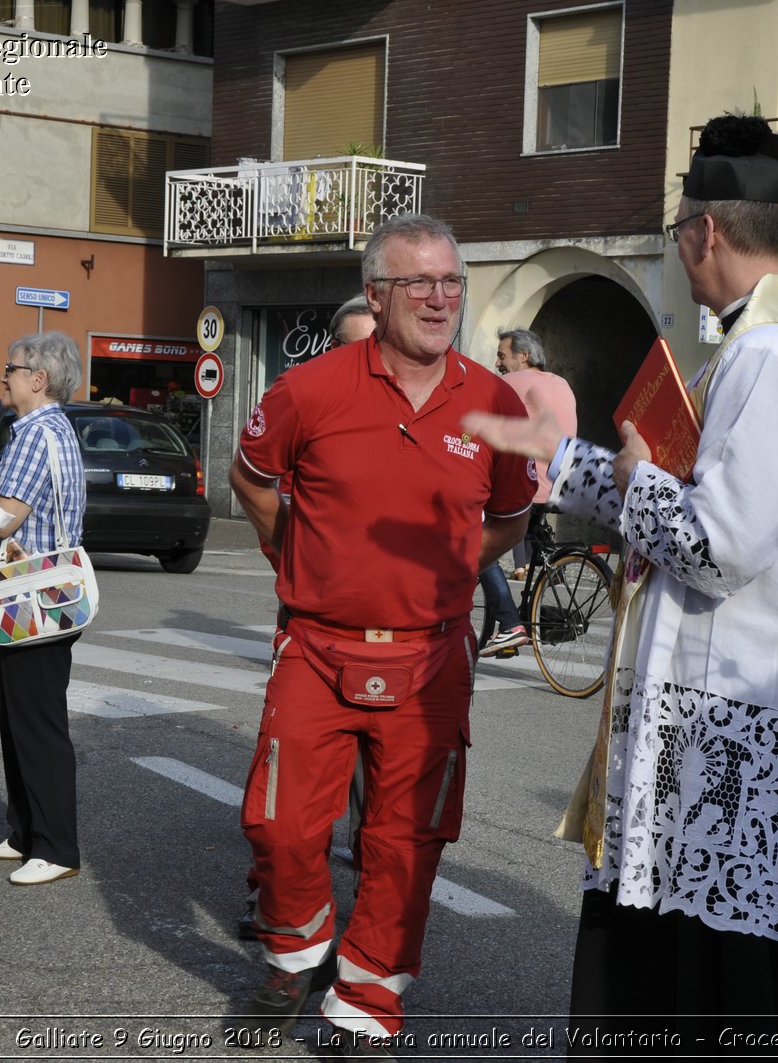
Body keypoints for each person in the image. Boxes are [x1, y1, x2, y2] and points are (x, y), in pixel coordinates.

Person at [465, 114, 778, 1053]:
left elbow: (717, 541)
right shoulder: (765, 348)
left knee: (721, 978)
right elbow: (683, 489)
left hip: (730, 728)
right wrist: (565, 459)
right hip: (722, 719)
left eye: (678, 233)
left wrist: (629, 477)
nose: (680, 249)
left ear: (706, 232)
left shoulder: (774, 360)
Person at [228, 213, 535, 1058]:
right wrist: (287, 550)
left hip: (431, 656)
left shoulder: (495, 401)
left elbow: (507, 519)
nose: (440, 299)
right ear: (376, 293)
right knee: (282, 826)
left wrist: (447, 573)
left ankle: (365, 1005)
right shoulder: (309, 389)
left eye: (451, 282)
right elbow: (252, 479)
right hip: (318, 647)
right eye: (419, 283)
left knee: (407, 844)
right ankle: (295, 952)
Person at [238, 293, 380, 943]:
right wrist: (295, 561)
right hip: (315, 625)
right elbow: (262, 487)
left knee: (372, 789)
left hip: (395, 641)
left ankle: (359, 909)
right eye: (357, 345)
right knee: (293, 782)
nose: (372, 358)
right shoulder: (313, 407)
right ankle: (275, 897)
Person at [0, 332, 87, 887]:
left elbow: (4, 518)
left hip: (30, 597)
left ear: (37, 379)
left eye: (11, 369)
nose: (4, 378)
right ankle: (25, 833)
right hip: (41, 596)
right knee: (21, 720)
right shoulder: (54, 428)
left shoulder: (36, 433)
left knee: (35, 723)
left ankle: (56, 845)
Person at [477, 328, 579, 657]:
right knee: (531, 536)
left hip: (529, 486)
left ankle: (509, 625)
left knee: (476, 546)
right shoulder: (561, 383)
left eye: (502, 356)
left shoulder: (512, 384)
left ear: (523, 357)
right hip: (561, 485)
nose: (497, 362)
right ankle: (544, 579)